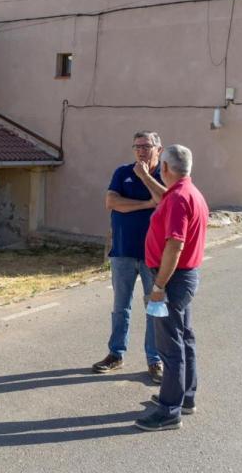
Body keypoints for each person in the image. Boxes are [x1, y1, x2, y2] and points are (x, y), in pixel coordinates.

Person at [135, 144, 209, 432]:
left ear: (165, 168)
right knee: (184, 337)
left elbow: (175, 244)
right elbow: (164, 199)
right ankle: (185, 397)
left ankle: (169, 410)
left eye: (159, 168)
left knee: (170, 346)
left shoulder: (179, 198)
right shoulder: (188, 192)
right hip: (185, 277)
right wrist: (145, 178)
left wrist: (158, 286)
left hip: (173, 279)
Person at [92, 131, 167, 383]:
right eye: (136, 146)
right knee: (120, 307)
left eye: (146, 146)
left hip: (152, 255)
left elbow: (164, 201)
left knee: (154, 308)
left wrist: (145, 177)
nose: (140, 151)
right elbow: (111, 202)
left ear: (159, 148)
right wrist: (146, 205)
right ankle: (116, 354)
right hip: (123, 252)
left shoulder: (163, 175)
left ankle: (155, 359)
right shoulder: (122, 172)